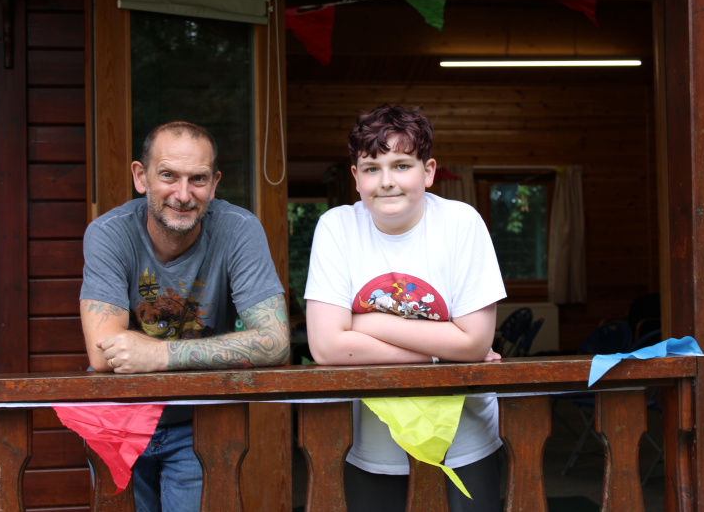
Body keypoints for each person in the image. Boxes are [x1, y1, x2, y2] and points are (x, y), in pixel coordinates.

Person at [304, 105, 506, 512]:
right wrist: (439, 351)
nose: (387, 182)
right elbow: (325, 348)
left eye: (401, 165)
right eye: (372, 168)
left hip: (465, 440)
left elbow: (473, 342)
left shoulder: (462, 223)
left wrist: (362, 321)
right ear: (356, 178)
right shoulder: (336, 227)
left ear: (428, 171)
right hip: (375, 445)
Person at [79, 121, 289, 512]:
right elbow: (103, 354)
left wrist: (159, 356)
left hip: (199, 421)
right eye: (168, 176)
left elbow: (275, 341)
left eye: (198, 179)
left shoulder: (238, 229)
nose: (182, 194)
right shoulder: (108, 233)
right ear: (141, 177)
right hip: (119, 418)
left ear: (214, 184)